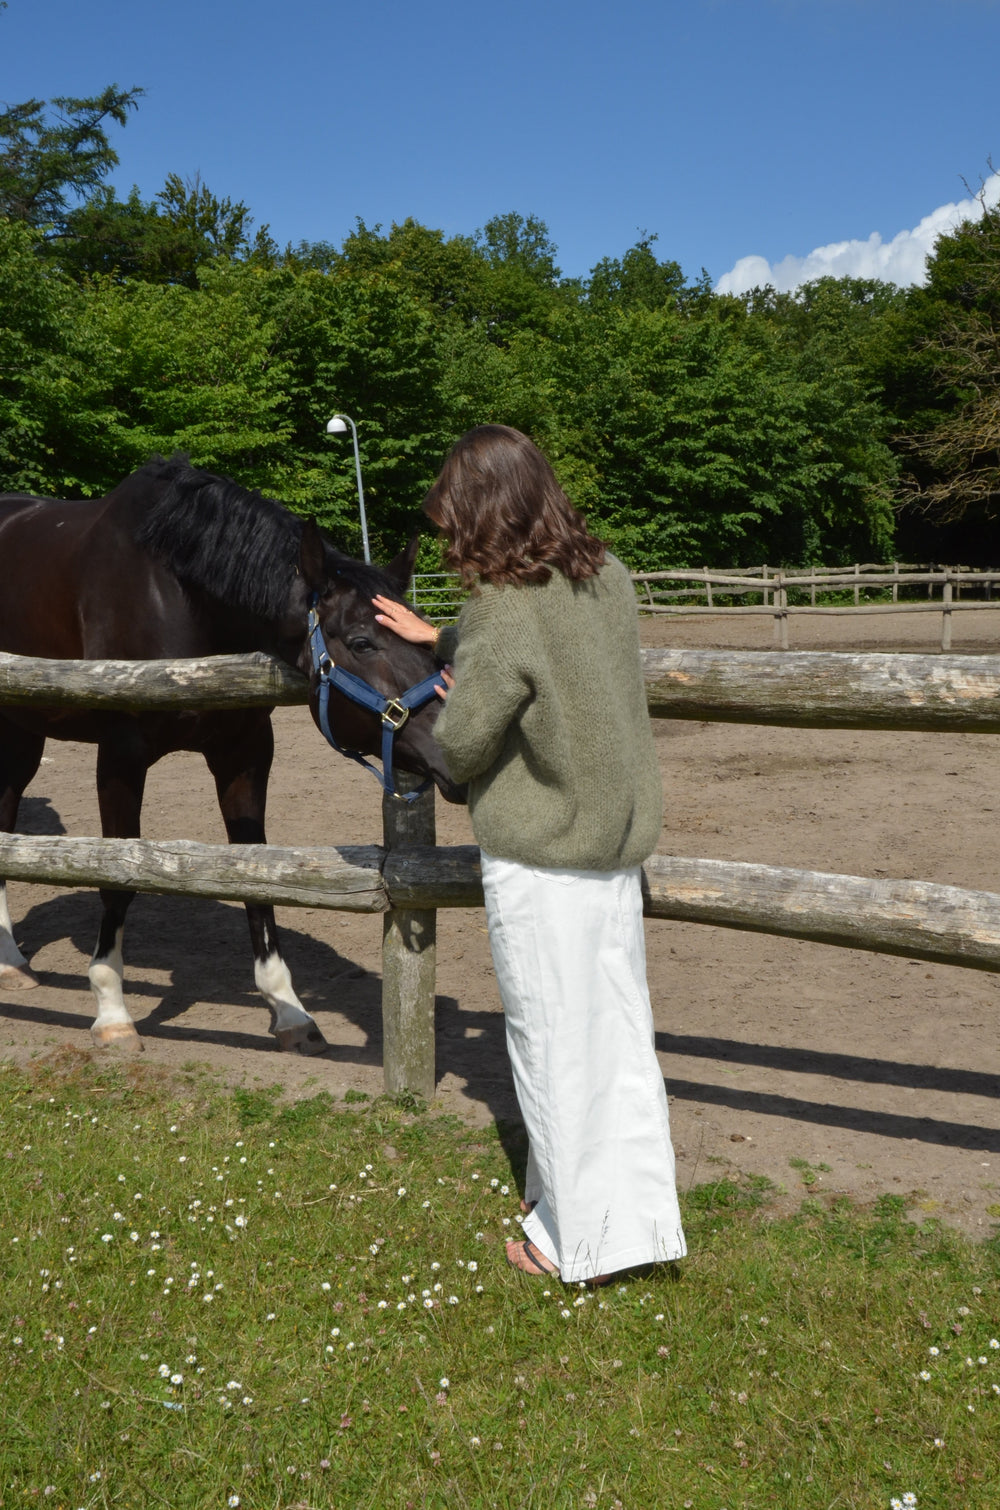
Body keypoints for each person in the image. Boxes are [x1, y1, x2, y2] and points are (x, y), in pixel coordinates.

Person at [373, 424, 686, 1284]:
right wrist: (444, 638)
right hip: (612, 851)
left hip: (541, 855)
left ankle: (571, 1241)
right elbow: (544, 645)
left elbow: (467, 744)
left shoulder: (504, 608)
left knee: (551, 1042)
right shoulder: (608, 577)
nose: (449, 541)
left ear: (481, 516)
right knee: (616, 1039)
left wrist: (446, 682)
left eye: (453, 525)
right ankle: (628, 1218)